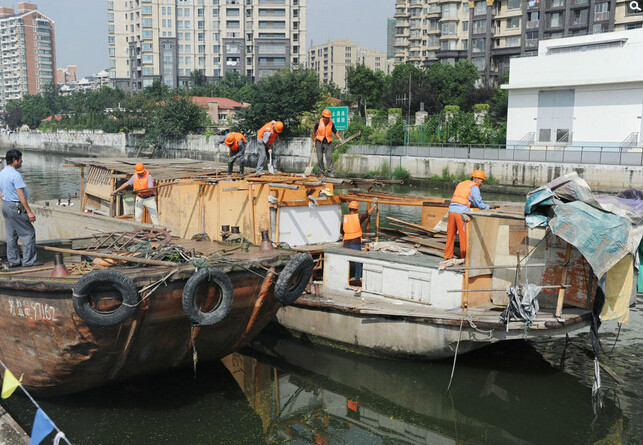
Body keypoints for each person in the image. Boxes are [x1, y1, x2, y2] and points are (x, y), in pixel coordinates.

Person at [0, 149, 40, 267]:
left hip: (6, 206)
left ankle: (14, 261)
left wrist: (4, 197)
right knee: (28, 233)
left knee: (11, 235)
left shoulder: (2, 173)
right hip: (16, 206)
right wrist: (29, 212)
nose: (21, 161)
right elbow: (20, 194)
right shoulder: (15, 175)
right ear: (14, 160)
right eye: (20, 159)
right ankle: (29, 261)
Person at [444, 170, 489, 260]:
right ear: (476, 179)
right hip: (461, 213)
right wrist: (488, 208)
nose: (482, 184)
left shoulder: (461, 184)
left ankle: (447, 256)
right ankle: (464, 258)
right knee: (464, 236)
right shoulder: (474, 187)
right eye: (482, 181)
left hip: (451, 211)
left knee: (450, 235)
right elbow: (478, 203)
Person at [341, 200, 376, 284]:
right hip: (355, 243)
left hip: (345, 243)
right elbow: (367, 214)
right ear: (356, 210)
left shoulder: (344, 219)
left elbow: (342, 232)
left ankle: (344, 277)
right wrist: (374, 205)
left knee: (345, 261)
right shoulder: (358, 217)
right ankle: (358, 278)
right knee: (358, 260)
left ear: (349, 210)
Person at [311, 109, 342, 177]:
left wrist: (340, 138)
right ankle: (322, 171)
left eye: (328, 117)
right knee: (320, 158)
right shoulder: (318, 123)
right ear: (323, 117)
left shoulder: (331, 123)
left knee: (329, 157)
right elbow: (313, 132)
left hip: (328, 142)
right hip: (319, 142)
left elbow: (335, 132)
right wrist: (314, 141)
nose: (327, 119)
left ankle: (330, 172)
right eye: (326, 117)